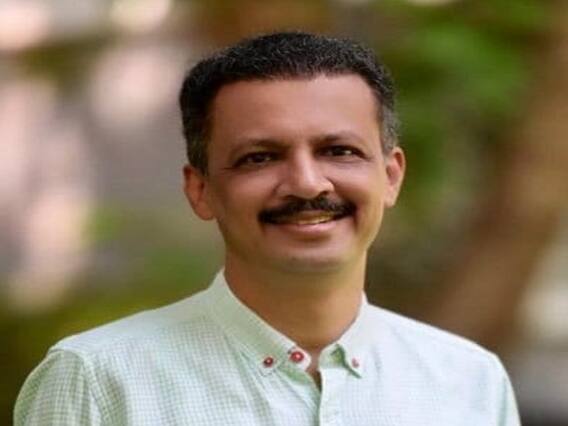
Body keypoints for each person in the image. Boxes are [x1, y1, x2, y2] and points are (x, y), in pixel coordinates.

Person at [15, 31, 520, 425]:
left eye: (339, 150)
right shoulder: (97, 381)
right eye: (260, 157)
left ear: (390, 177)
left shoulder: (469, 380)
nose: (306, 183)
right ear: (200, 190)